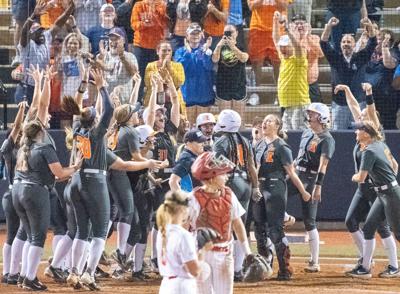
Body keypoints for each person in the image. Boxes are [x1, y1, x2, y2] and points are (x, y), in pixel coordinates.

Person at [335, 83, 399, 278]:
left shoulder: (374, 136)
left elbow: (369, 111)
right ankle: (366, 261)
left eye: (365, 116)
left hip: (377, 188)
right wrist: (347, 91)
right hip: (367, 187)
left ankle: (391, 264)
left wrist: (369, 94)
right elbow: (355, 108)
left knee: (384, 228)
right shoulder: (363, 134)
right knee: (352, 221)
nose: (360, 117)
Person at [61, 68, 114, 290]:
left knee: (82, 232)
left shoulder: (77, 128)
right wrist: (101, 87)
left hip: (77, 181)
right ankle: (89, 274)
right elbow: (110, 109)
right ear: (94, 120)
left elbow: (76, 106)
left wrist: (84, 84)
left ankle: (74, 272)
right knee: (100, 231)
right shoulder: (95, 132)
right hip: (95, 183)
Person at [12, 120, 80, 290]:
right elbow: (59, 172)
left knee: (30, 236)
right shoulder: (44, 148)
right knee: (38, 237)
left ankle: (23, 277)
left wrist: (69, 171)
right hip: (34, 192)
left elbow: (55, 177)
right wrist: (76, 167)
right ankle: (30, 278)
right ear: (40, 132)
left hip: (18, 191)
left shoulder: (23, 149)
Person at [254, 114, 311, 280]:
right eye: (264, 121)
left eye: (269, 121)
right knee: (259, 229)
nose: (265, 123)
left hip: (275, 187)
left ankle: (285, 269)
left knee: (275, 228)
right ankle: (265, 266)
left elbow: (291, 172)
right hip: (260, 187)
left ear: (277, 126)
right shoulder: (259, 145)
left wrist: (303, 191)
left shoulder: (281, 146)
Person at [189, 151, 252, 293]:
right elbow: (183, 227)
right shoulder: (194, 198)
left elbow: (237, 223)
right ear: (211, 178)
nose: (226, 176)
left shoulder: (228, 193)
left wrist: (247, 252)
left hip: (225, 254)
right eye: (222, 174)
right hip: (201, 255)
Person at [212, 109, 260, 280]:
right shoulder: (245, 141)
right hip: (246, 183)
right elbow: (252, 166)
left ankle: (228, 267)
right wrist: (255, 187)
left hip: (231, 183)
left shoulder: (220, 142)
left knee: (225, 226)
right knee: (241, 226)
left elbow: (215, 167)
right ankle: (238, 269)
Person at [350, 121, 400, 278]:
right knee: (369, 227)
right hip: (383, 193)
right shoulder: (379, 144)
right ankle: (365, 268)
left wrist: (353, 176)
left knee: (398, 233)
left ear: (366, 133)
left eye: (358, 129)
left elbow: (361, 178)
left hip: (391, 194)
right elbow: (395, 166)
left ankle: (394, 267)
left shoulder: (370, 150)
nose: (356, 132)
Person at [289, 102, 335, 273]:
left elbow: (323, 165)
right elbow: (299, 155)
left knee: (310, 220)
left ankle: (314, 261)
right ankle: (285, 217)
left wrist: (318, 186)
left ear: (321, 117)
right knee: (276, 197)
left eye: (313, 113)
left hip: (310, 177)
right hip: (296, 173)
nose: (309, 115)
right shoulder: (307, 132)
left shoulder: (327, 139)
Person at [320, 16, 377, 130]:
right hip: (339, 104)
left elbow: (373, 42)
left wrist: (370, 26)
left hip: (358, 103)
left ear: (354, 44)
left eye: (349, 41)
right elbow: (323, 43)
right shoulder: (335, 58)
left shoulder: (361, 56)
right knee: (338, 134)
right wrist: (329, 26)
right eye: (344, 42)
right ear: (340, 44)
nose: (346, 44)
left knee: (361, 132)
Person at [14, 0, 74, 104]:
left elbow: (59, 22)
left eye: (41, 30)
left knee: (40, 118)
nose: (41, 33)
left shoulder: (46, 36)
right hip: (26, 88)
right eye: (37, 32)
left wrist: (71, 7)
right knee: (25, 118)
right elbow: (24, 31)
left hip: (41, 87)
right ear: (31, 35)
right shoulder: (26, 45)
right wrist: (33, 15)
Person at [157, 190, 212, 293]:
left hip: (165, 286)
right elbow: (195, 271)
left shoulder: (161, 232)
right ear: (183, 209)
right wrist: (203, 252)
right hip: (182, 287)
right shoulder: (184, 235)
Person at [0, 102, 27, 283]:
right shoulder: (9, 149)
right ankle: (11, 272)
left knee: (14, 234)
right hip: (14, 195)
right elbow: (17, 126)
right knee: (17, 234)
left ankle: (8, 273)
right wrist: (21, 110)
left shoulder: (23, 148)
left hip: (12, 195)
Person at [273, 11, 310, 130]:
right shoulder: (283, 58)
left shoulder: (299, 59)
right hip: (286, 105)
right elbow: (275, 38)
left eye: (285, 46)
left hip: (299, 105)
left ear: (291, 47)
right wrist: (275, 21)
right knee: (287, 135)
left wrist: (287, 30)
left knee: (299, 135)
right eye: (281, 46)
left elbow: (298, 47)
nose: (282, 49)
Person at [247, 0, 290, 104]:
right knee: (256, 63)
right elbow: (251, 6)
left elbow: (284, 5)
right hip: (258, 28)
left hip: (278, 28)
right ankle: (255, 93)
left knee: (279, 63)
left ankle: (280, 94)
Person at [174, 23, 215, 126]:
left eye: (197, 33)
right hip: (188, 95)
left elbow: (209, 67)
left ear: (201, 35)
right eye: (192, 34)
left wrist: (205, 52)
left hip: (204, 95)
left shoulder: (207, 51)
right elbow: (181, 69)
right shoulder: (180, 52)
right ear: (187, 36)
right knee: (189, 127)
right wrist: (187, 53)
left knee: (203, 127)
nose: (195, 36)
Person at [130, 0, 168, 100]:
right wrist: (143, 24)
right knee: (139, 76)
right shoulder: (139, 5)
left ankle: (155, 102)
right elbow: (134, 25)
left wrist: (154, 17)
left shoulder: (162, 5)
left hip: (156, 47)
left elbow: (165, 25)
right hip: (140, 46)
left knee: (156, 75)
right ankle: (137, 101)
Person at [213, 24, 248, 119]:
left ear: (236, 33)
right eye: (226, 32)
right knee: (224, 119)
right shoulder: (219, 45)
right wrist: (219, 46)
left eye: (230, 32)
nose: (228, 34)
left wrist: (232, 46)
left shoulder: (241, 45)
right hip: (223, 86)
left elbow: (244, 59)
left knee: (239, 119)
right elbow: (215, 59)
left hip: (239, 85)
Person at [97, 27, 138, 104]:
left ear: (124, 41)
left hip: (124, 104)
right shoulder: (103, 56)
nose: (113, 42)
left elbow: (135, 73)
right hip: (106, 103)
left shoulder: (130, 56)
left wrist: (122, 57)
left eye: (116, 39)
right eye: (111, 39)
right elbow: (96, 73)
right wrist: (100, 58)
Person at [143, 40, 185, 113]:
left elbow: (179, 82)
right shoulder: (150, 65)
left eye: (169, 50)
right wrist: (163, 67)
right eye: (164, 50)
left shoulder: (178, 65)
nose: (167, 53)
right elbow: (148, 83)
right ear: (157, 51)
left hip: (173, 102)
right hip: (155, 102)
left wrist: (169, 68)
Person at [292, 14, 325, 103]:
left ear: (307, 25)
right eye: (296, 24)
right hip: (295, 85)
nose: (299, 26)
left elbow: (321, 54)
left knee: (316, 112)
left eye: (301, 23)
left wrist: (307, 37)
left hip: (311, 84)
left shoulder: (315, 38)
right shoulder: (289, 40)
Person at [11, 0, 36, 66]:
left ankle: (29, 53)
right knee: (19, 24)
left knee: (34, 23)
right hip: (21, 2)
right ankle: (18, 55)